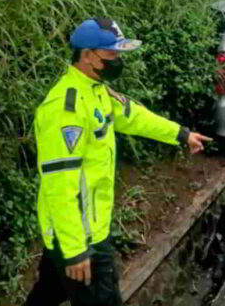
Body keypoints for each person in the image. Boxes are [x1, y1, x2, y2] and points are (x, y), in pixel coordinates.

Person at [24, 17, 212, 305]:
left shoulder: (97, 92)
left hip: (85, 226)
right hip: (81, 236)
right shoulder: (65, 109)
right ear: (87, 55)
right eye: (112, 55)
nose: (118, 60)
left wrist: (181, 134)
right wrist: (76, 250)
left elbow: (134, 117)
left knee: (50, 291)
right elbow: (60, 185)